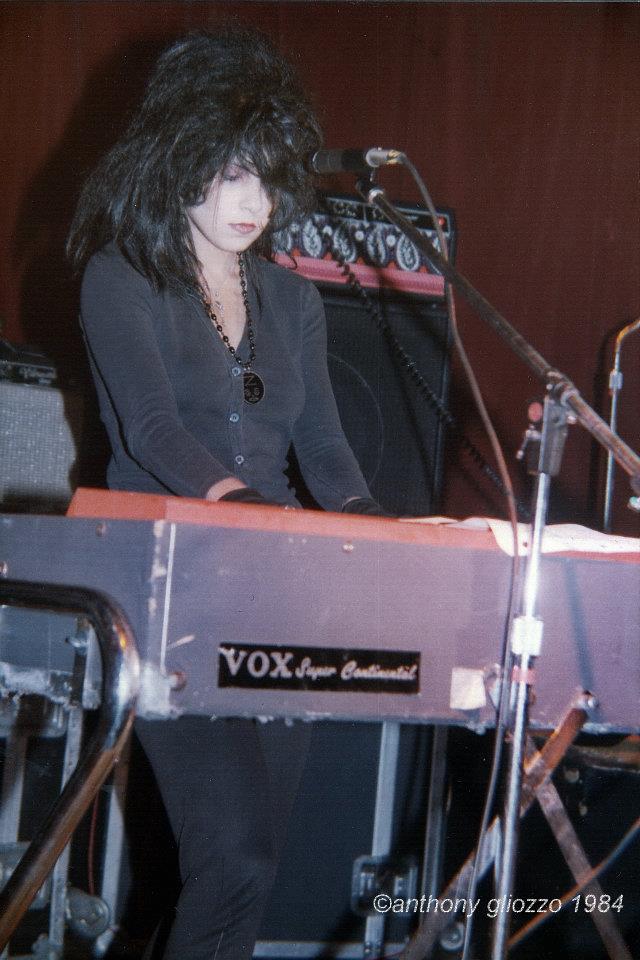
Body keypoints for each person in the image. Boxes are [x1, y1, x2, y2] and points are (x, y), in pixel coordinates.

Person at [67, 27, 384, 960]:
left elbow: (323, 449)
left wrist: (376, 530)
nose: (256, 202)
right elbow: (150, 430)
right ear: (180, 159)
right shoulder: (121, 276)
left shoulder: (294, 300)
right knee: (232, 856)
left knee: (250, 871)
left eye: (270, 181)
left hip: (276, 593)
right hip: (169, 587)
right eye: (235, 174)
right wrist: (251, 510)